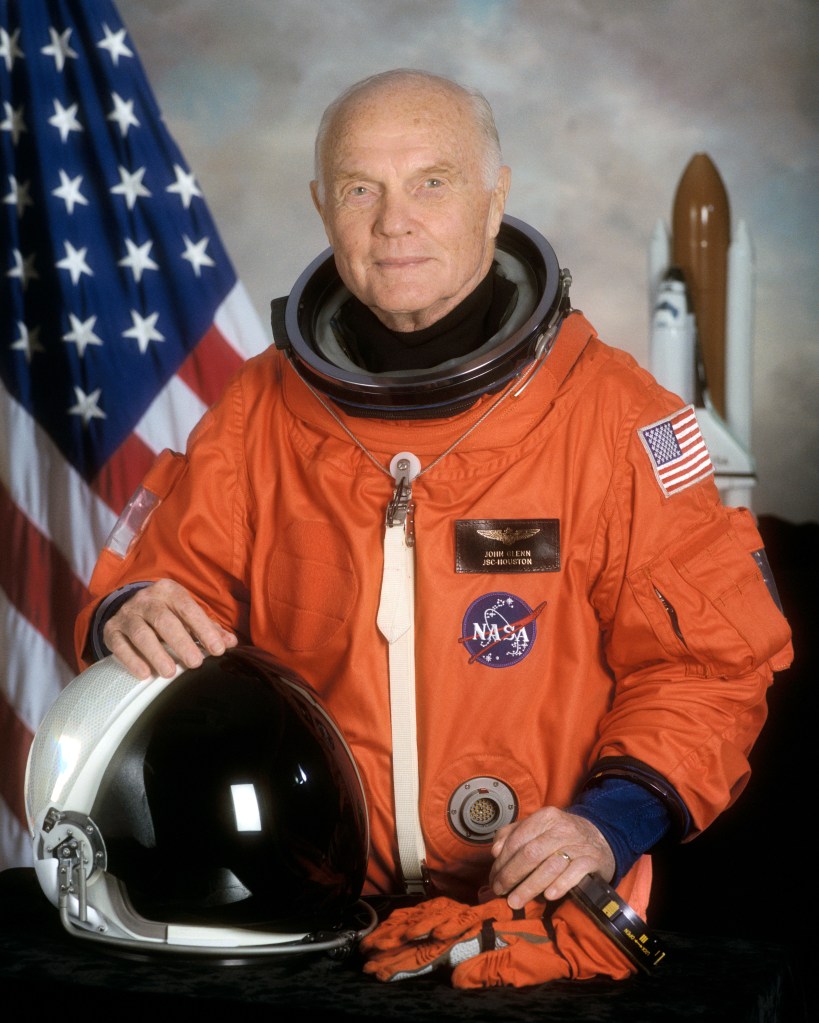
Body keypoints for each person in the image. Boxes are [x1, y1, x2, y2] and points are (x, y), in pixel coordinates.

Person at [74, 69, 792, 986]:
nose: (392, 221)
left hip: (541, 912)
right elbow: (167, 588)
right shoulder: (258, 411)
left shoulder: (616, 418)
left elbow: (708, 661)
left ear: (496, 200)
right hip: (305, 910)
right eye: (359, 188)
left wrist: (606, 823)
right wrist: (131, 609)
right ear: (322, 208)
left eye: (432, 182)